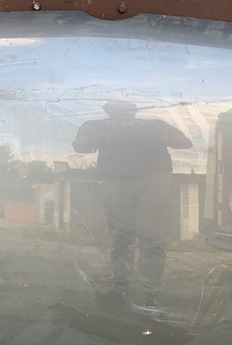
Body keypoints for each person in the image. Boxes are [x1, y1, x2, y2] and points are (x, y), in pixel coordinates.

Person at [73, 101, 192, 306]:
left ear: (135, 111)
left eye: (126, 108)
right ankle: (120, 291)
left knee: (152, 237)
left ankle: (150, 295)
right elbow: (79, 145)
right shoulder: (96, 125)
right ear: (107, 111)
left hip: (154, 179)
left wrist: (161, 138)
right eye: (115, 108)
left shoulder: (152, 124)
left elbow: (185, 142)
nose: (121, 112)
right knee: (121, 236)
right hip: (116, 182)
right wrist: (100, 137)